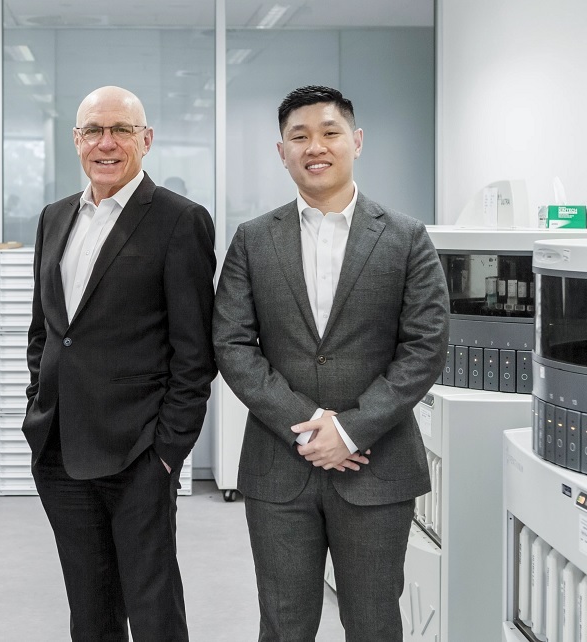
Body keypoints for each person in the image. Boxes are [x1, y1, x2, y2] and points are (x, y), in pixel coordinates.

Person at [212, 85, 449, 642]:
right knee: (284, 622)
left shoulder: (406, 237)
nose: (315, 146)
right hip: (278, 467)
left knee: (373, 623)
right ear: (282, 151)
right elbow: (232, 343)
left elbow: (425, 347)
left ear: (356, 141)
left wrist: (348, 429)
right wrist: (307, 429)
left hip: (377, 466)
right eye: (299, 136)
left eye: (329, 132)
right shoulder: (252, 240)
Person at [23, 86, 216, 641]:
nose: (106, 143)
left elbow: (194, 353)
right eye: (93, 132)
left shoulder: (179, 221)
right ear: (76, 141)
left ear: (146, 140)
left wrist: (167, 452)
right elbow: (47, 331)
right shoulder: (54, 218)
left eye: (121, 131)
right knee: (89, 608)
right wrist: (40, 403)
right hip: (60, 447)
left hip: (138, 453)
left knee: (152, 605)